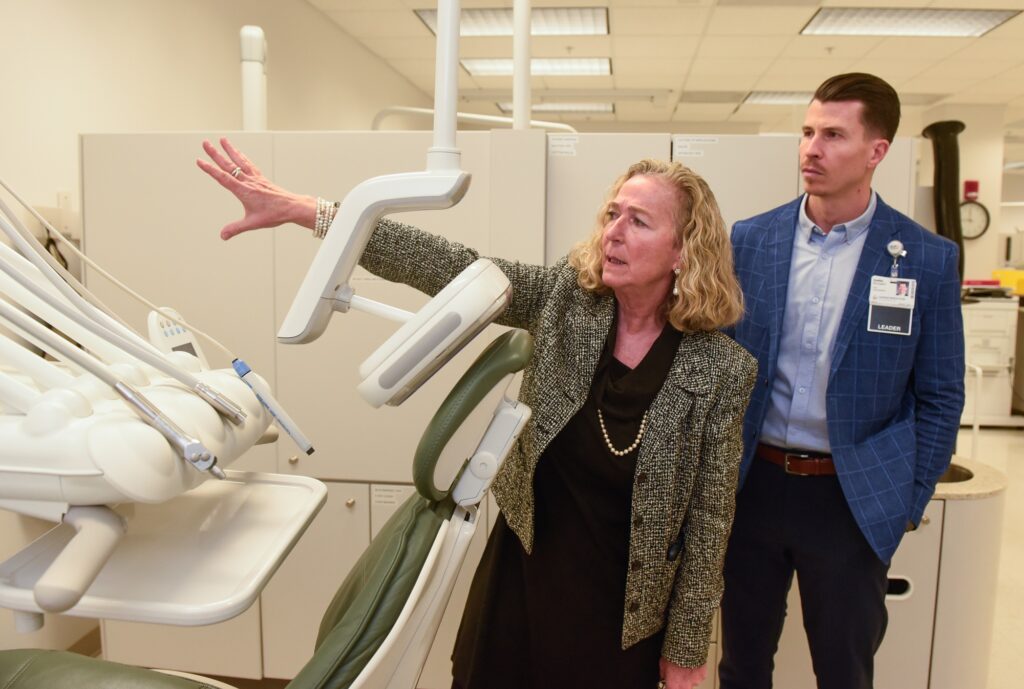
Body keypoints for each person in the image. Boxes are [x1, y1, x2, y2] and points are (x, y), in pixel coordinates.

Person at [198, 142, 757, 689]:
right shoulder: (566, 300)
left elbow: (709, 528)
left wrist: (686, 651)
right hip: (525, 573)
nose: (614, 231)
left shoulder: (721, 372)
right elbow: (451, 265)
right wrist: (311, 213)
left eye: (639, 221)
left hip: (621, 608)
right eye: (612, 213)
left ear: (684, 250)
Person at [720, 73, 965, 689]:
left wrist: (904, 503)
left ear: (876, 151)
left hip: (850, 499)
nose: (811, 148)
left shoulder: (924, 258)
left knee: (844, 670)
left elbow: (940, 395)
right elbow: (719, 363)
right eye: (806, 132)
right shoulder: (753, 240)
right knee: (741, 664)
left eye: (833, 134)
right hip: (754, 487)